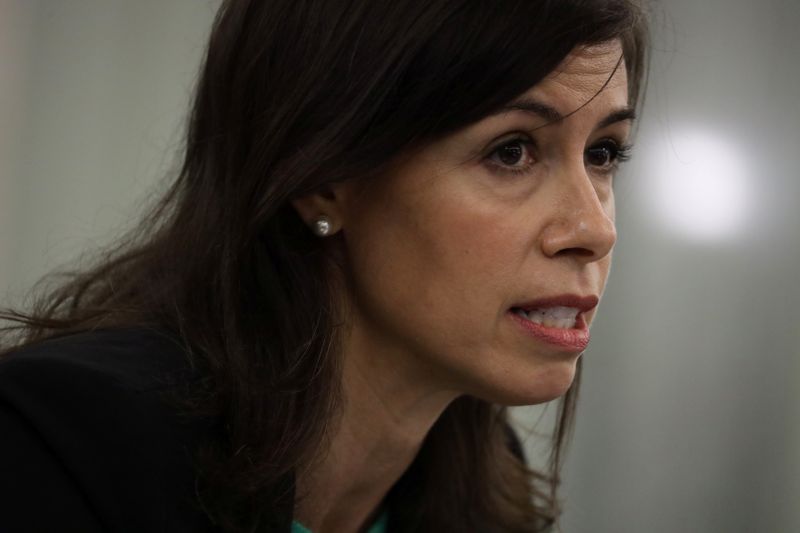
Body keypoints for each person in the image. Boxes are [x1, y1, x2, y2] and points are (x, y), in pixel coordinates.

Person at [0, 0, 648, 531]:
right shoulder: (59, 445)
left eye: (604, 153)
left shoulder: (482, 489)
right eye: (511, 152)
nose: (594, 229)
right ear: (326, 178)